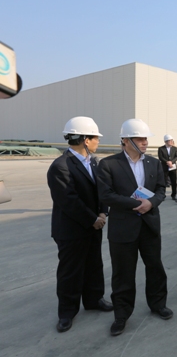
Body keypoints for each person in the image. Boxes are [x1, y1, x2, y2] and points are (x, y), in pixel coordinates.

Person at [97, 119, 172, 336]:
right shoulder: (109, 164)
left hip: (149, 225)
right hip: (123, 229)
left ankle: (158, 304)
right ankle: (121, 314)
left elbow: (161, 189)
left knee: (155, 268)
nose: (145, 142)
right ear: (125, 140)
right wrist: (135, 204)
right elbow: (106, 195)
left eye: (145, 138)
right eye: (140, 139)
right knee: (123, 274)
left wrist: (152, 203)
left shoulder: (154, 163)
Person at [47, 117, 113, 333]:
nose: (98, 142)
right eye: (95, 138)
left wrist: (102, 211)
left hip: (94, 225)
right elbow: (68, 200)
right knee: (70, 271)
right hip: (72, 229)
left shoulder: (93, 162)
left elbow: (102, 189)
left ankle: (94, 299)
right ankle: (67, 312)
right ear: (85, 140)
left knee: (94, 264)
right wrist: (92, 219)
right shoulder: (60, 166)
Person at [158, 134, 177, 201]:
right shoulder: (161, 149)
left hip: (173, 167)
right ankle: (163, 195)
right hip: (164, 167)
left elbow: (176, 156)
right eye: (169, 141)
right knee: (164, 181)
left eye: (171, 140)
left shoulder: (175, 148)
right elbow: (160, 157)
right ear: (165, 142)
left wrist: (171, 162)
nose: (171, 142)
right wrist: (167, 162)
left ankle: (174, 195)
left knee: (174, 182)